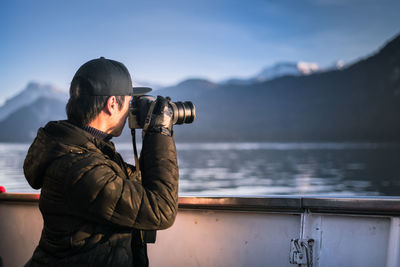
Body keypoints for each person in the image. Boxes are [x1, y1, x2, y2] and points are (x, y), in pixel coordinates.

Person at [23, 57, 179, 266]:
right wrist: (160, 131)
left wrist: (153, 130)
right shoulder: (79, 168)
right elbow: (160, 209)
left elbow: (141, 186)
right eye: (130, 102)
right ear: (112, 104)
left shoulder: (89, 152)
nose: (131, 110)